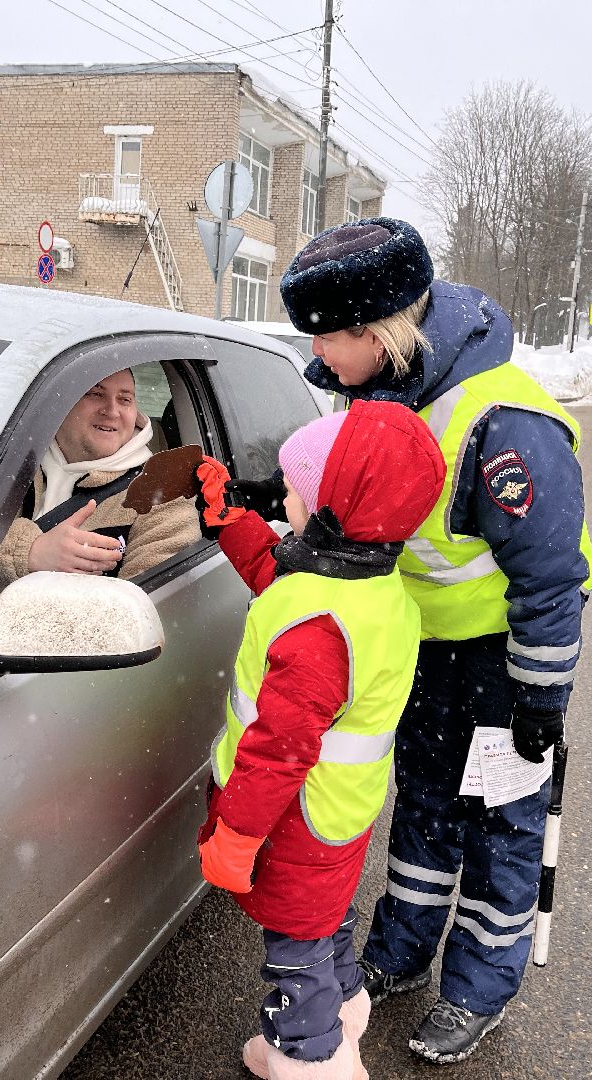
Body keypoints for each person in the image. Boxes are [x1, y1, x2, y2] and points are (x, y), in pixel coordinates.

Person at [268, 217, 592, 1065]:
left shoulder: (507, 424)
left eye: (327, 341)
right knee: (423, 806)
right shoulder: (382, 387)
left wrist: (540, 700)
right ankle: (401, 951)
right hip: (423, 652)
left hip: (503, 660)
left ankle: (481, 985)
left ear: (377, 334)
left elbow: (551, 580)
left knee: (501, 825)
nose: (319, 362)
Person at [194, 400, 446, 1080]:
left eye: (296, 492)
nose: (281, 496)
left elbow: (278, 752)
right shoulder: (366, 583)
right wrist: (230, 521)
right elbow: (278, 570)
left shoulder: (318, 634)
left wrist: (237, 836)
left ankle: (308, 1056)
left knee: (294, 951)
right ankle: (345, 1003)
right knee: (324, 919)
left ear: (336, 511)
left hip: (292, 821)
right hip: (338, 812)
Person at [0, 369, 199, 591]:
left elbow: (142, 609)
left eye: (125, 399)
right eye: (95, 394)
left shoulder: (165, 495)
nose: (112, 411)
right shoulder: (3, 462)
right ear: (62, 402)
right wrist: (29, 551)